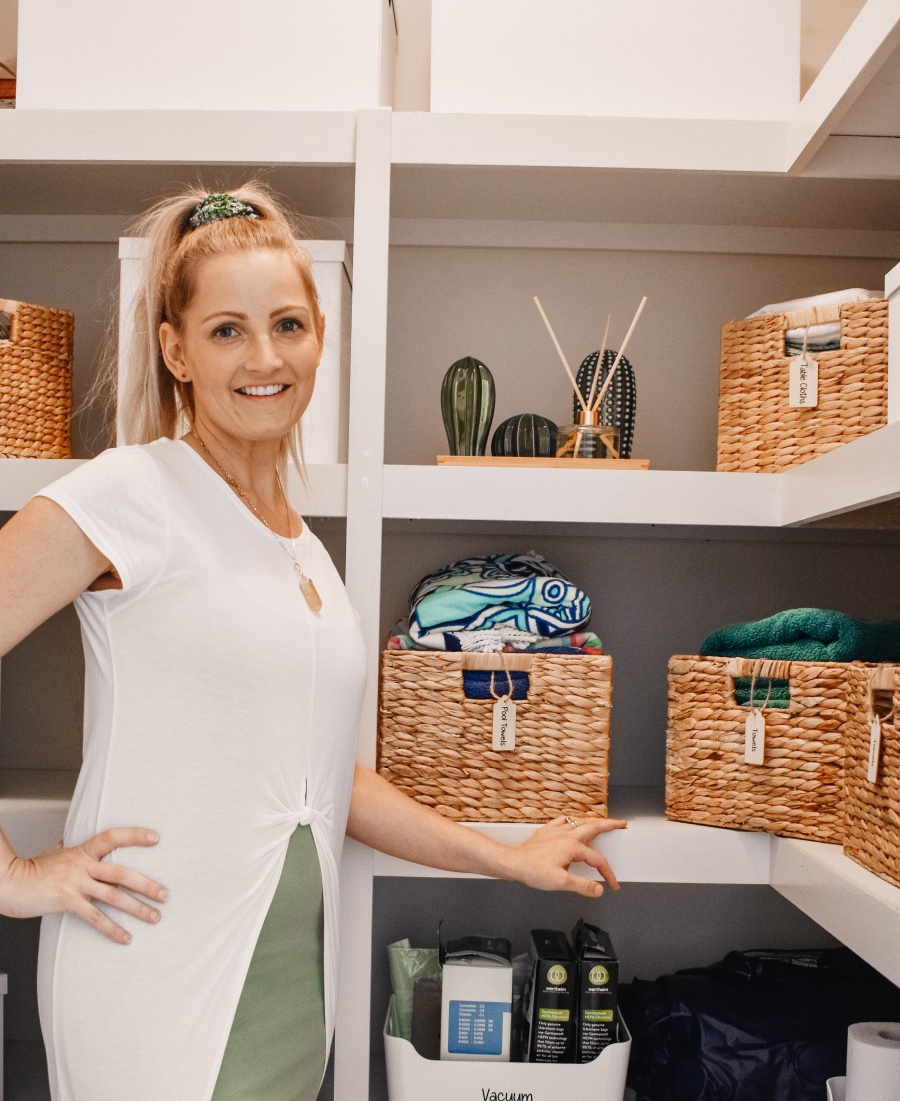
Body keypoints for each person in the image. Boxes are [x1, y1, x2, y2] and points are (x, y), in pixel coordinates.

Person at [0, 183, 626, 1101]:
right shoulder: (135, 491)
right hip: (155, 982)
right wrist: (15, 880)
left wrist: (507, 856)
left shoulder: (304, 549)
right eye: (226, 331)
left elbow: (324, 780)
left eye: (287, 324)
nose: (265, 357)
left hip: (294, 991)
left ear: (320, 335)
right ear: (174, 349)